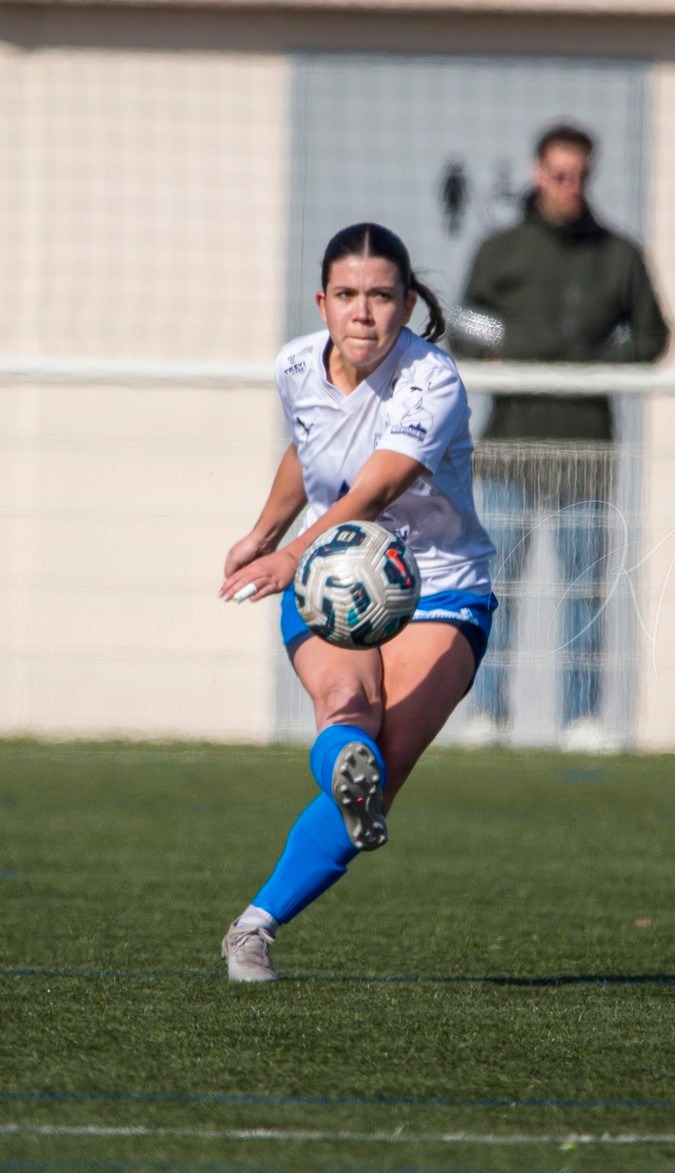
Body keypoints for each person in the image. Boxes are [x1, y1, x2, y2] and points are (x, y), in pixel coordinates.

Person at [217, 222, 496, 982]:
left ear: (407, 304)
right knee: (347, 710)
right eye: (346, 296)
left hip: (439, 586)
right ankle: (344, 760)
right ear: (322, 301)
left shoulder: (430, 378)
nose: (363, 313)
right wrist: (264, 531)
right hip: (330, 577)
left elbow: (379, 485)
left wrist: (291, 551)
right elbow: (307, 450)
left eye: (380, 296)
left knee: (384, 765)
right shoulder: (296, 366)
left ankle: (255, 923)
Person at [454, 122, 670, 749]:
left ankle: (583, 719)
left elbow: (654, 336)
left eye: (578, 176)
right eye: (557, 173)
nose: (567, 186)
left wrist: (597, 366)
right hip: (510, 447)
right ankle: (487, 716)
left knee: (585, 591)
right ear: (536, 172)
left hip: (585, 447)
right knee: (493, 589)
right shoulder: (501, 250)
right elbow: (465, 323)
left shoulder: (618, 255)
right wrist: (512, 350)